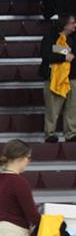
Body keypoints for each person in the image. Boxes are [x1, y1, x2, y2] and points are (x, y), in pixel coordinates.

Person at [39, 13, 76, 143]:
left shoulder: (73, 38)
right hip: (54, 77)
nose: (74, 25)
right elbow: (46, 53)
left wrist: (64, 52)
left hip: (72, 76)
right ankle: (50, 133)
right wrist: (64, 56)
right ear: (65, 25)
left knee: (72, 107)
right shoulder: (50, 37)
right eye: (72, 23)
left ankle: (71, 133)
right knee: (53, 107)